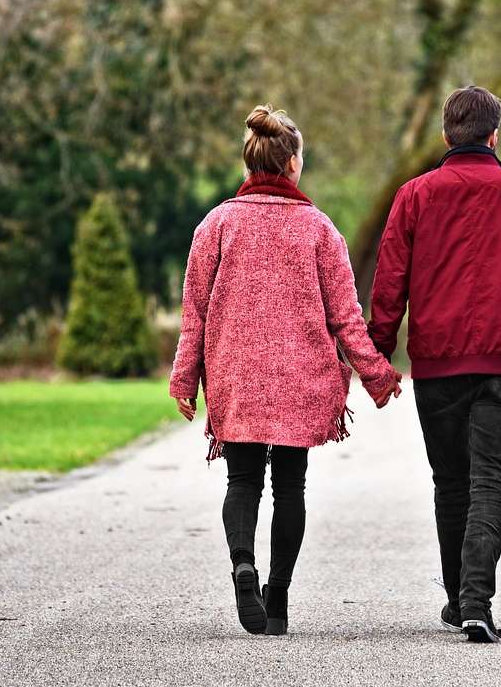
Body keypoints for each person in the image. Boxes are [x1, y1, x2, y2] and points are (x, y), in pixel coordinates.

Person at [170, 105, 402, 637]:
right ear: (293, 163)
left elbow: (195, 314)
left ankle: (242, 566)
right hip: (302, 379)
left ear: (248, 162)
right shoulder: (320, 230)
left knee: (243, 478)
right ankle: (277, 599)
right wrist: (377, 375)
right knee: (290, 488)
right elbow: (346, 318)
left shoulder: (216, 225)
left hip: (237, 374)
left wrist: (185, 380)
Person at [368, 85, 501, 643]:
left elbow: (389, 284)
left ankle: (461, 600)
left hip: (438, 363)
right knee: (491, 481)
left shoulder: (414, 196)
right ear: (494, 135)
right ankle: (476, 600)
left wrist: (378, 354)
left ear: (445, 135)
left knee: (451, 482)